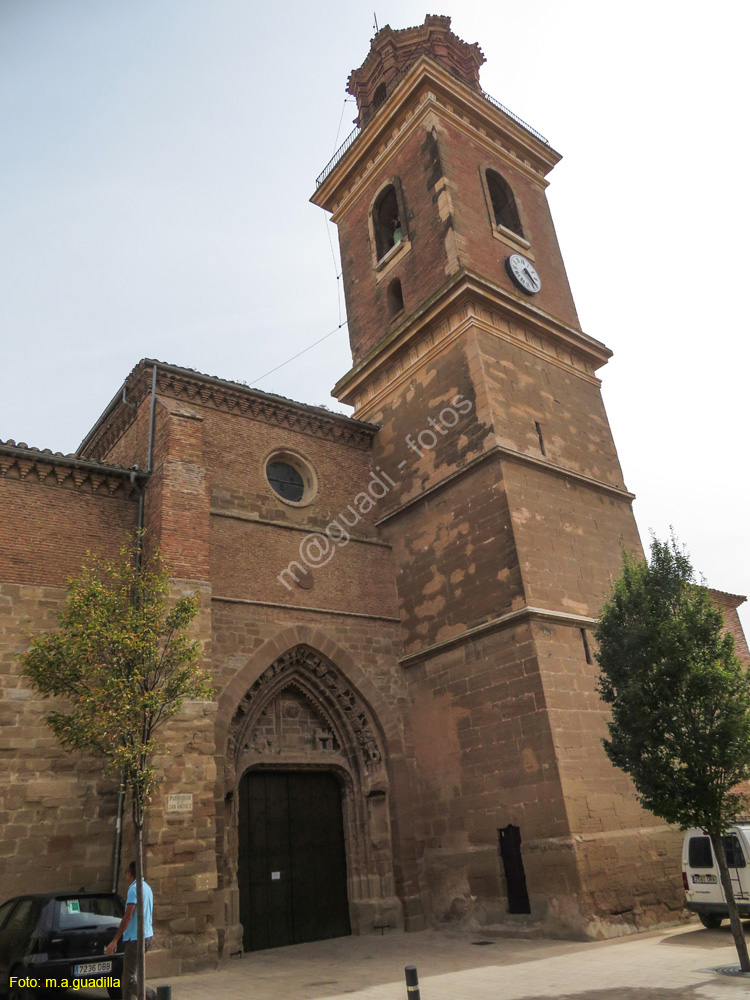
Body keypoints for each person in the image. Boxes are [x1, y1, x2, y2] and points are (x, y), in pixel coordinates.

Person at [106, 861, 156, 1000]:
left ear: (130, 873)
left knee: (128, 979)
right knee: (129, 977)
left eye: (127, 872)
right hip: (146, 936)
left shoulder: (134, 889)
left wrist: (114, 940)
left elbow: (128, 916)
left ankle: (154, 996)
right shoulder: (147, 888)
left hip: (136, 939)